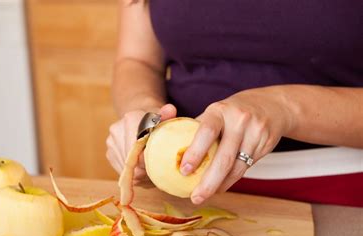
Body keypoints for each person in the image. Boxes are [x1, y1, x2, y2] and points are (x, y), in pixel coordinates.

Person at [106, 1, 363, 207]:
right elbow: (137, 61)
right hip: (183, 200)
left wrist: (285, 108)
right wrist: (145, 119)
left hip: (337, 198)